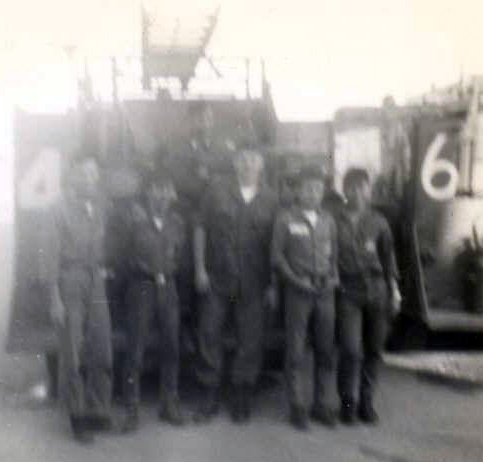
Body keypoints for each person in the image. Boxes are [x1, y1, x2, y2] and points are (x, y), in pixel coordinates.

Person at [193, 146, 278, 423]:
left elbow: (277, 246)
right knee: (209, 333)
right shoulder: (216, 191)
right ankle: (209, 393)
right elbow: (200, 228)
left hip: (254, 280)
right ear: (234, 162)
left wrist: (272, 284)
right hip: (217, 277)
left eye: (253, 158)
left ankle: (242, 395)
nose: (247, 164)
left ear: (261, 164)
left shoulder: (272, 199)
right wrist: (199, 269)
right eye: (242, 159)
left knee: (250, 340)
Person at [51, 154, 113, 444]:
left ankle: (98, 410)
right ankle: (77, 416)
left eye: (94, 173)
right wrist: (55, 298)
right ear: (72, 175)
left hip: (95, 280)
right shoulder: (59, 209)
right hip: (70, 280)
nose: (90, 178)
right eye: (84, 173)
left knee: (101, 347)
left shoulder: (98, 208)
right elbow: (50, 257)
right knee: (73, 352)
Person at [272, 165, 339, 431]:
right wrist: (295, 280)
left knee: (325, 351)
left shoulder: (328, 220)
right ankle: (297, 406)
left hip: (325, 293)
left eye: (317, 189)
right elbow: (277, 256)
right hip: (298, 292)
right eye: (307, 188)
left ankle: (322, 405)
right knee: (296, 351)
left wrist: (333, 278)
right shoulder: (285, 219)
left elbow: (334, 256)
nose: (313, 193)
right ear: (298, 191)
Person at [334, 168, 401, 425]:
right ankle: (347, 403)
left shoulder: (379, 221)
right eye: (352, 187)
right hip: (348, 292)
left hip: (377, 291)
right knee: (350, 350)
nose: (358, 193)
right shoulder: (334, 219)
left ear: (369, 190)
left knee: (374, 350)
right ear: (345, 190)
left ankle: (366, 402)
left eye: (363, 187)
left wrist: (395, 292)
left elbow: (389, 259)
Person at [121, 173, 186, 432]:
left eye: (166, 189)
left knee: (172, 347)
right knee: (135, 349)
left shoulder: (177, 222)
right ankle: (131, 409)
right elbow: (124, 255)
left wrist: (167, 273)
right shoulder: (134, 221)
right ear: (148, 192)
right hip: (141, 287)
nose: (162, 195)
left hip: (168, 287)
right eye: (157, 189)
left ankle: (169, 404)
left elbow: (180, 255)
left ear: (172, 194)